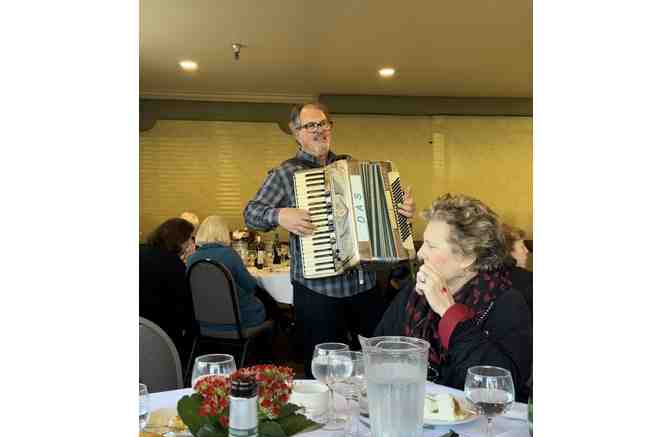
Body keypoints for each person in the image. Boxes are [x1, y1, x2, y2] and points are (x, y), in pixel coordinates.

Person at [244, 102, 416, 377]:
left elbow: (383, 218)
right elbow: (251, 213)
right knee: (323, 372)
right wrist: (279, 215)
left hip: (363, 286)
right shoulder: (287, 173)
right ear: (296, 132)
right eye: (310, 125)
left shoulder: (353, 167)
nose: (319, 130)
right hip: (318, 292)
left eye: (323, 124)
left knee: (378, 364)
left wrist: (401, 213)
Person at [374, 194, 532, 401]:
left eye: (431, 246)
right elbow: (379, 351)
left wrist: (449, 313)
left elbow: (499, 386)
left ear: (467, 257)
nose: (420, 253)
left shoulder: (506, 302)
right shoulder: (414, 293)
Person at [186, 215, 267, 331]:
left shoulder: (191, 259)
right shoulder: (230, 254)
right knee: (266, 303)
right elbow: (250, 286)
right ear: (224, 232)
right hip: (237, 319)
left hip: (204, 321)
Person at [139, 218, 197, 369]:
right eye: (189, 239)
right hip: (162, 333)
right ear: (180, 241)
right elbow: (183, 307)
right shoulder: (173, 264)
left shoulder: (140, 251)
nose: (191, 243)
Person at [502, 224, 533, 316]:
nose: (527, 251)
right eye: (522, 247)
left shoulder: (488, 278)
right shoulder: (528, 279)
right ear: (509, 252)